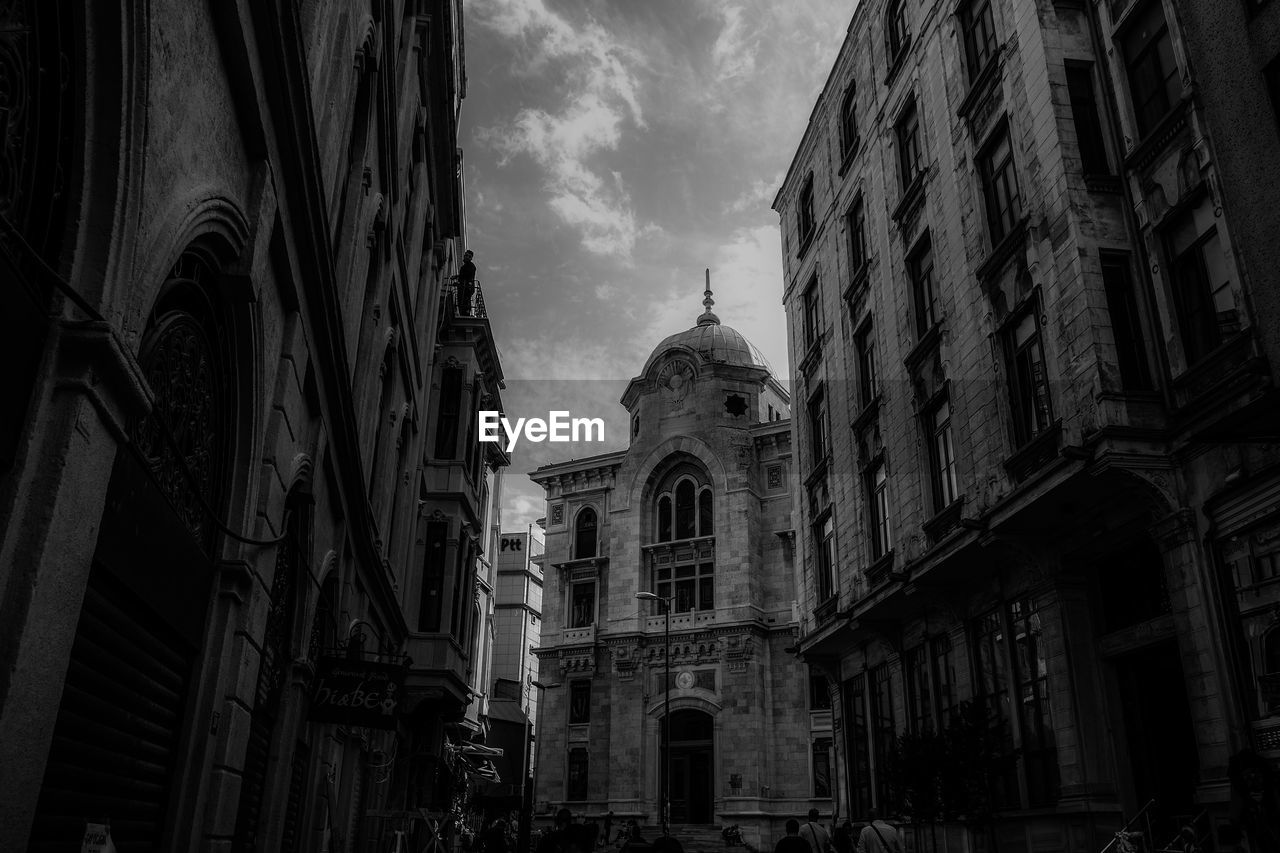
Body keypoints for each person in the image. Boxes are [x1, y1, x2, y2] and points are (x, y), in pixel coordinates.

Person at [456, 249, 477, 316]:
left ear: (471, 258)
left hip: (467, 288)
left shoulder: (471, 266)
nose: (466, 257)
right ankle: (463, 312)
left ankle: (465, 313)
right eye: (465, 255)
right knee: (462, 302)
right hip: (464, 288)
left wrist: (459, 282)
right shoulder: (464, 267)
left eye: (468, 256)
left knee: (465, 302)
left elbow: (466, 275)